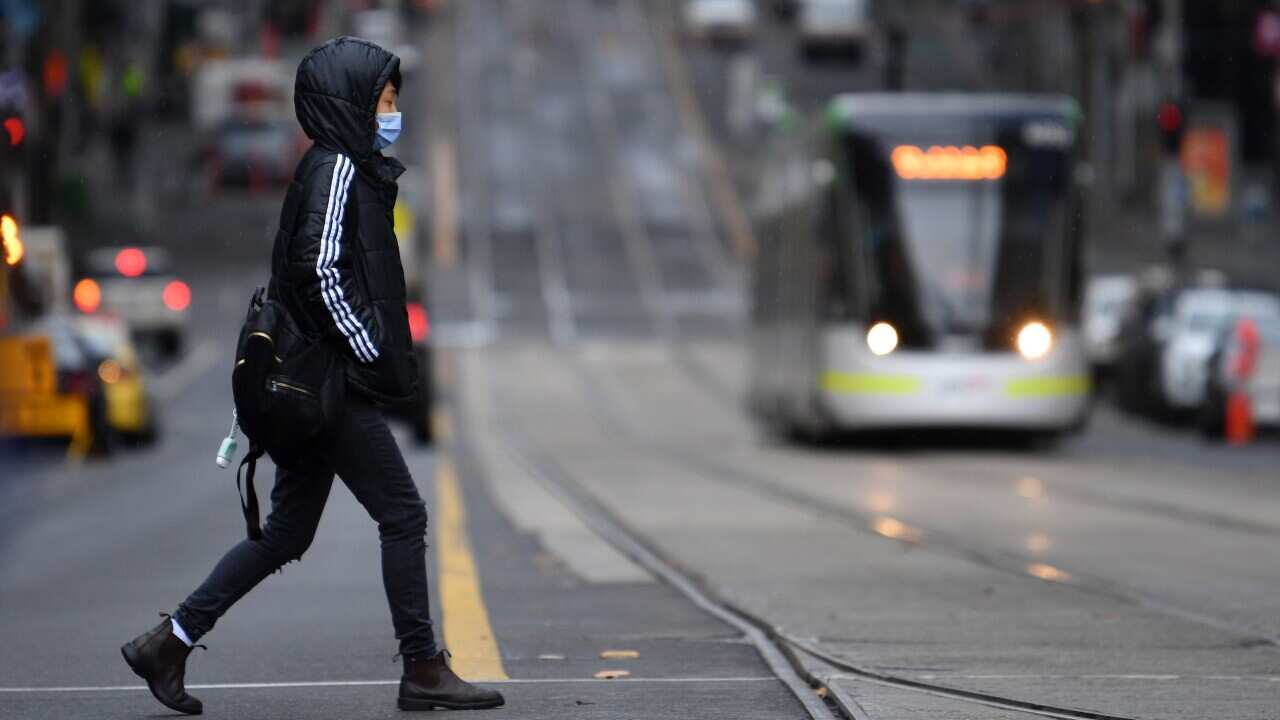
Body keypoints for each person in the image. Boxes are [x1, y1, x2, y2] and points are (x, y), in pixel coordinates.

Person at [120, 37, 504, 715]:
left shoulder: (345, 166)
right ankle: (422, 666)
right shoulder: (335, 170)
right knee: (404, 514)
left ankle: (169, 643)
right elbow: (317, 270)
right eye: (385, 101)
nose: (393, 113)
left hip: (317, 384)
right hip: (331, 384)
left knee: (285, 535)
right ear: (350, 103)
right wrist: (370, 349)